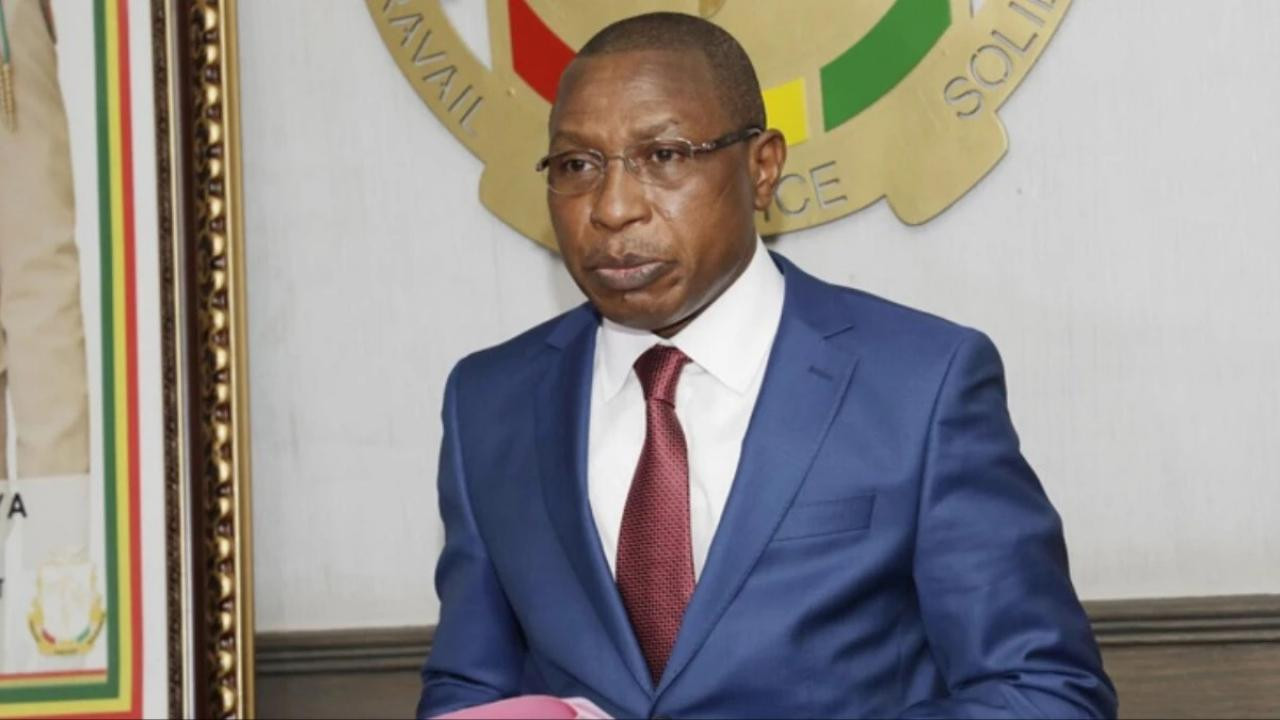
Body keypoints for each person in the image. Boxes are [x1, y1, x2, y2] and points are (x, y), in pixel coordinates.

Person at [418, 12, 1115, 719]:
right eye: (577, 165)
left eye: (664, 156)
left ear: (762, 168)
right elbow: (469, 690)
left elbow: (1046, 695)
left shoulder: (921, 385)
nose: (614, 207)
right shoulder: (488, 402)